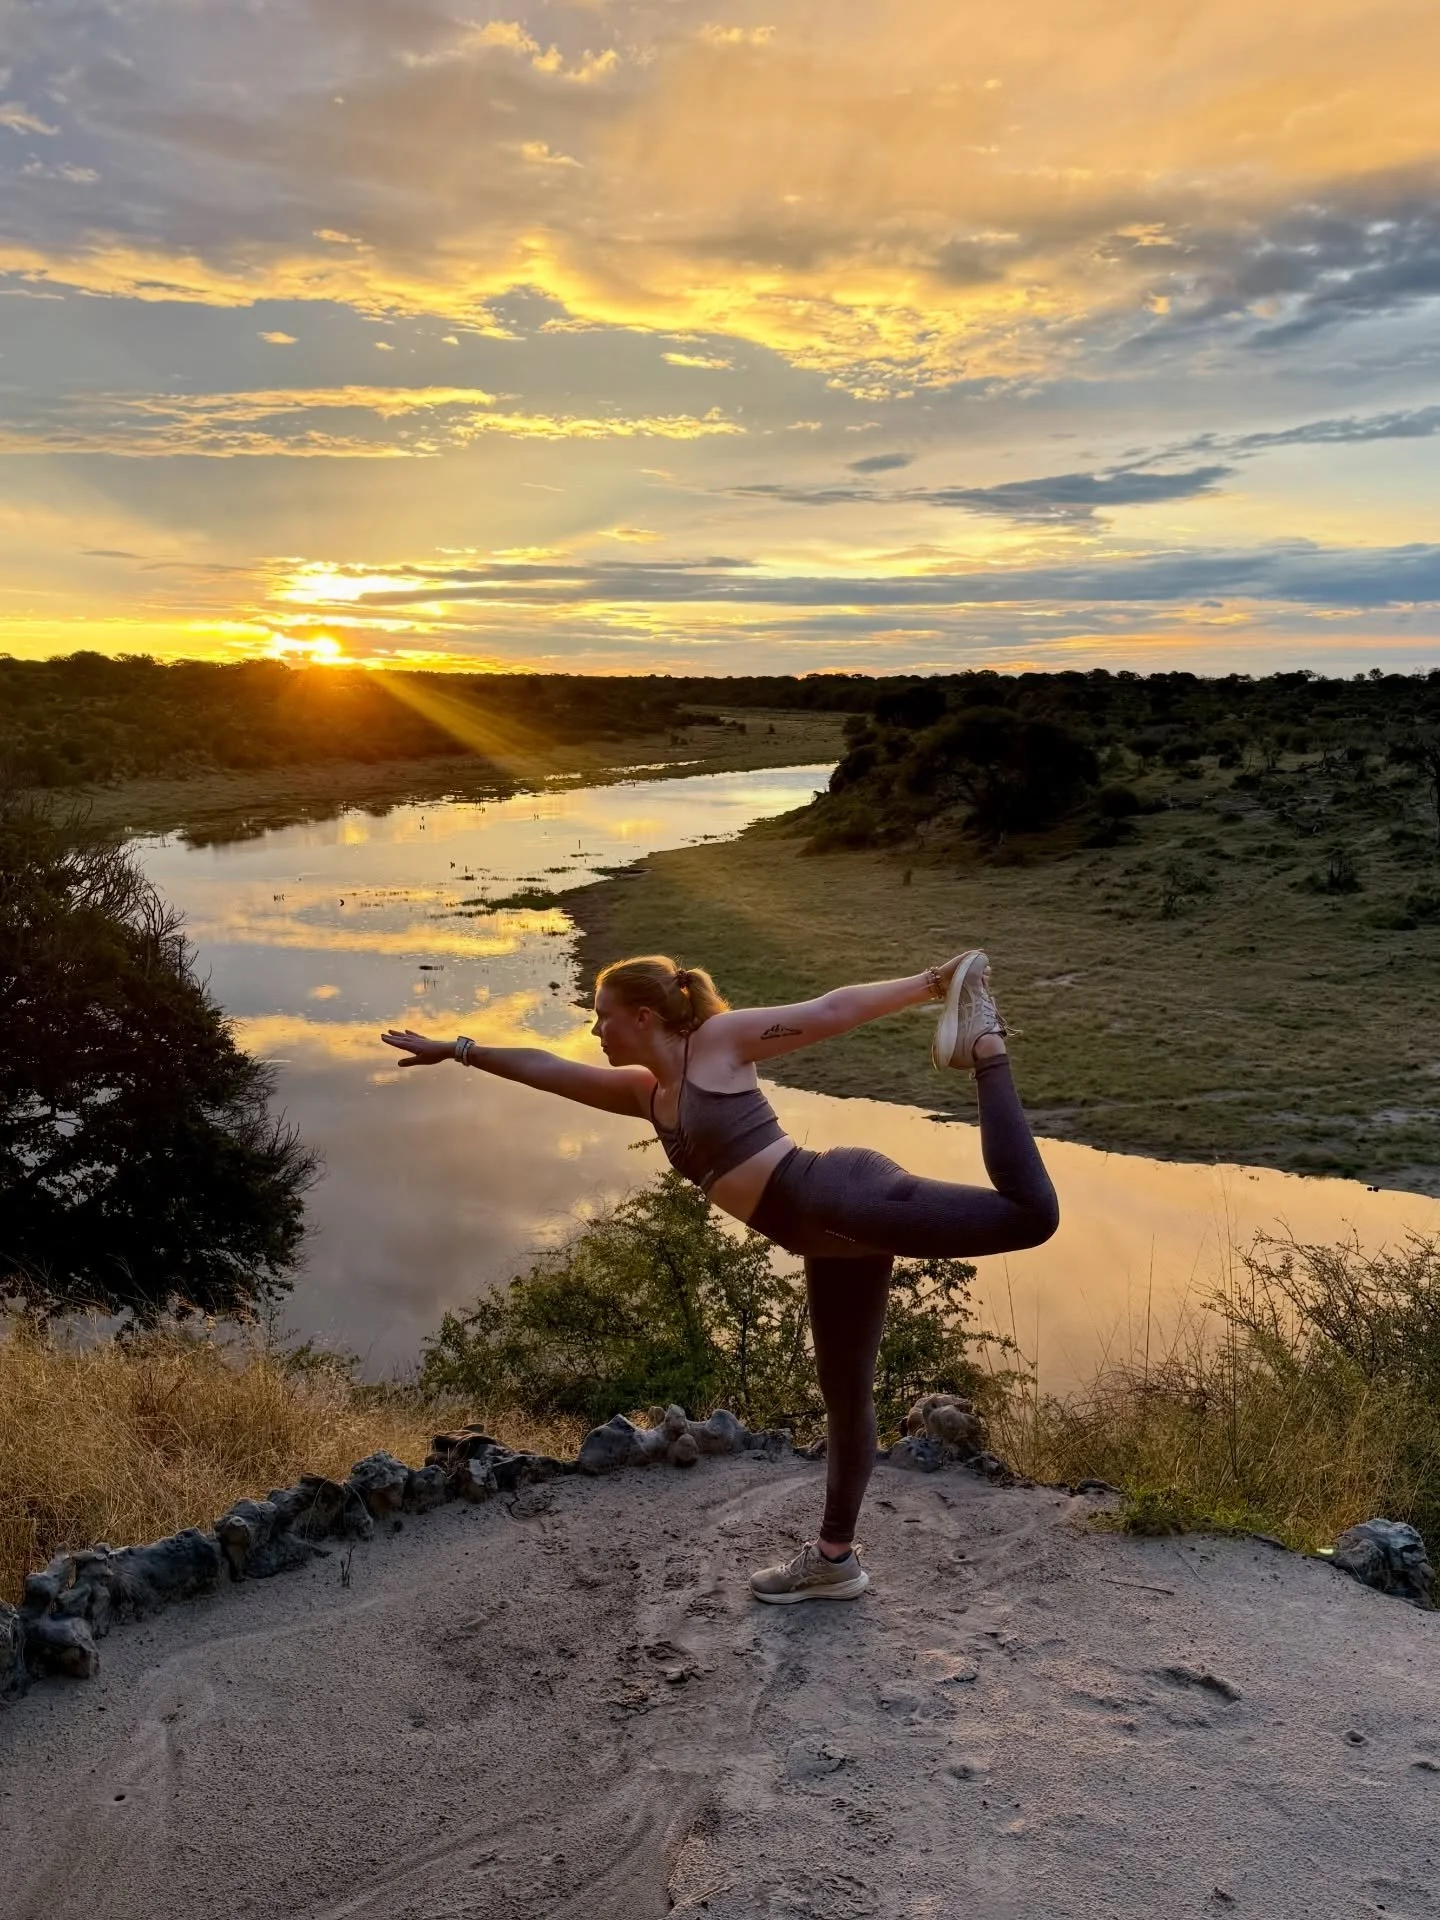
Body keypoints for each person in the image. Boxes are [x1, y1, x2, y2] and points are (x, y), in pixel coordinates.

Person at [381, 950, 1058, 1605]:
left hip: (838, 1194)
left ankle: (986, 1049)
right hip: (830, 1242)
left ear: (644, 1016)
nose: (594, 1029)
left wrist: (932, 984)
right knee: (846, 1396)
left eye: (603, 1015)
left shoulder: (718, 1044)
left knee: (1030, 1215)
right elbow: (545, 1068)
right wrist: (461, 1049)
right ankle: (833, 1561)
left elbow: (829, 1010)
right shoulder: (649, 1094)